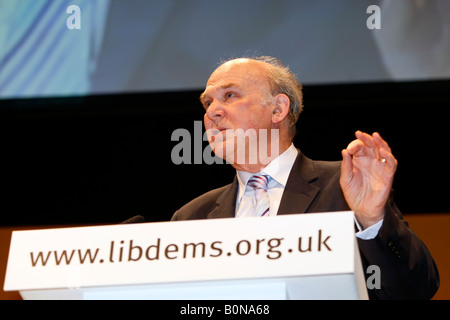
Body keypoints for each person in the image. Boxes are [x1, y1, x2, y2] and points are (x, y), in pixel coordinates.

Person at [171, 56, 439, 300]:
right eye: (208, 102)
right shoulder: (191, 217)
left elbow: (416, 289)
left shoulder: (346, 187)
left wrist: (372, 220)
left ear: (278, 109)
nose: (212, 112)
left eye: (229, 95)